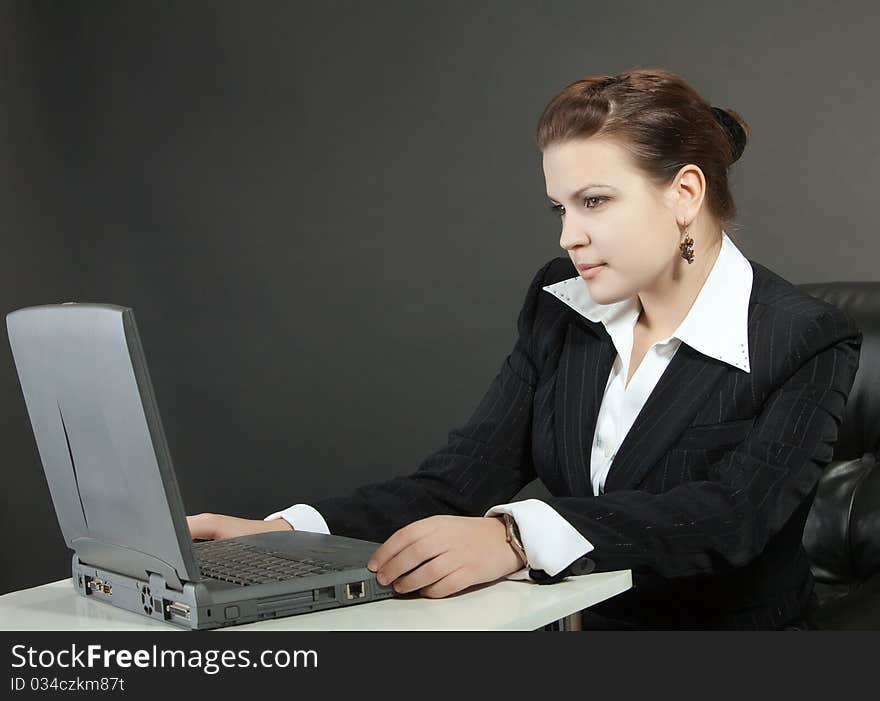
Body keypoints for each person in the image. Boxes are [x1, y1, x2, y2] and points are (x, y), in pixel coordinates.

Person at [187, 68, 862, 630]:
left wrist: (515, 537)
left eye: (594, 201)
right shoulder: (561, 301)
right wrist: (285, 533)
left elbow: (731, 516)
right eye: (559, 209)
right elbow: (458, 480)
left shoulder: (804, 337)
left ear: (685, 193)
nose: (568, 235)